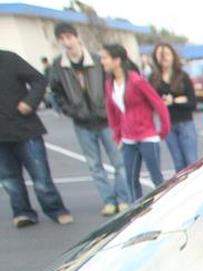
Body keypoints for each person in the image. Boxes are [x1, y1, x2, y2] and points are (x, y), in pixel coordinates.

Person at [48, 22, 127, 216]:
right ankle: (108, 200)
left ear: (76, 37)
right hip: (82, 122)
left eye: (69, 37)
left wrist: (109, 107)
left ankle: (124, 198)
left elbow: (111, 82)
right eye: (62, 39)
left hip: (105, 119)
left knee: (119, 161)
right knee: (94, 165)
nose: (67, 42)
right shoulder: (59, 65)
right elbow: (56, 93)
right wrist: (71, 110)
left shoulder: (97, 59)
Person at [0, 49, 71, 228]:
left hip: (25, 128)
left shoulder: (9, 59)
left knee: (41, 175)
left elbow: (39, 79)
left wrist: (30, 102)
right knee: (9, 179)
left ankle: (56, 209)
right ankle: (22, 212)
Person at [101, 44, 169, 204]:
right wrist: (117, 136)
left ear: (116, 60)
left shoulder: (137, 81)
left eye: (105, 58)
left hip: (147, 137)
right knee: (131, 179)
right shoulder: (109, 84)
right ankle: (136, 213)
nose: (102, 62)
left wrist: (163, 130)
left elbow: (159, 104)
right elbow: (112, 112)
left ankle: (166, 207)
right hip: (128, 139)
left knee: (156, 178)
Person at [149, 43, 197, 172]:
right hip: (167, 124)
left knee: (191, 161)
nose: (164, 57)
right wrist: (168, 101)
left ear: (173, 56)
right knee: (178, 163)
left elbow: (192, 103)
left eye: (167, 54)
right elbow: (151, 102)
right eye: (160, 54)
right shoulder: (153, 79)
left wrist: (174, 101)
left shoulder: (182, 76)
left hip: (185, 122)